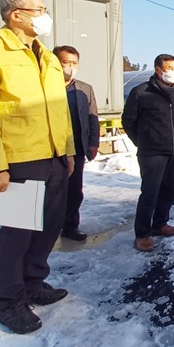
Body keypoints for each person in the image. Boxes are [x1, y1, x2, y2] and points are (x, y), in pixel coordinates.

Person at [0, 0, 75, 334]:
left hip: (54, 157)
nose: (45, 16)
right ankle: (10, 302)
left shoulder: (48, 57)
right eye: (39, 9)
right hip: (18, 161)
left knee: (49, 226)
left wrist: (68, 150)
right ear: (16, 15)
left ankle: (33, 282)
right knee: (16, 234)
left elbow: (60, 109)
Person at [122, 54, 174, 252]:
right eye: (168, 68)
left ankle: (160, 224)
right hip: (152, 152)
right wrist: (143, 141)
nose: (172, 72)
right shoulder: (142, 92)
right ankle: (142, 233)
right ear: (158, 69)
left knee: (167, 190)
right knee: (150, 192)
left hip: (173, 149)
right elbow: (128, 121)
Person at [53, 45, 99, 241]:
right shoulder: (45, 86)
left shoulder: (84, 89)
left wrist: (93, 142)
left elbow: (92, 117)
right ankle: (47, 227)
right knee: (52, 190)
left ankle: (70, 226)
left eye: (74, 63)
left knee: (74, 190)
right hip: (51, 148)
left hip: (77, 146)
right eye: (66, 62)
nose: (70, 67)